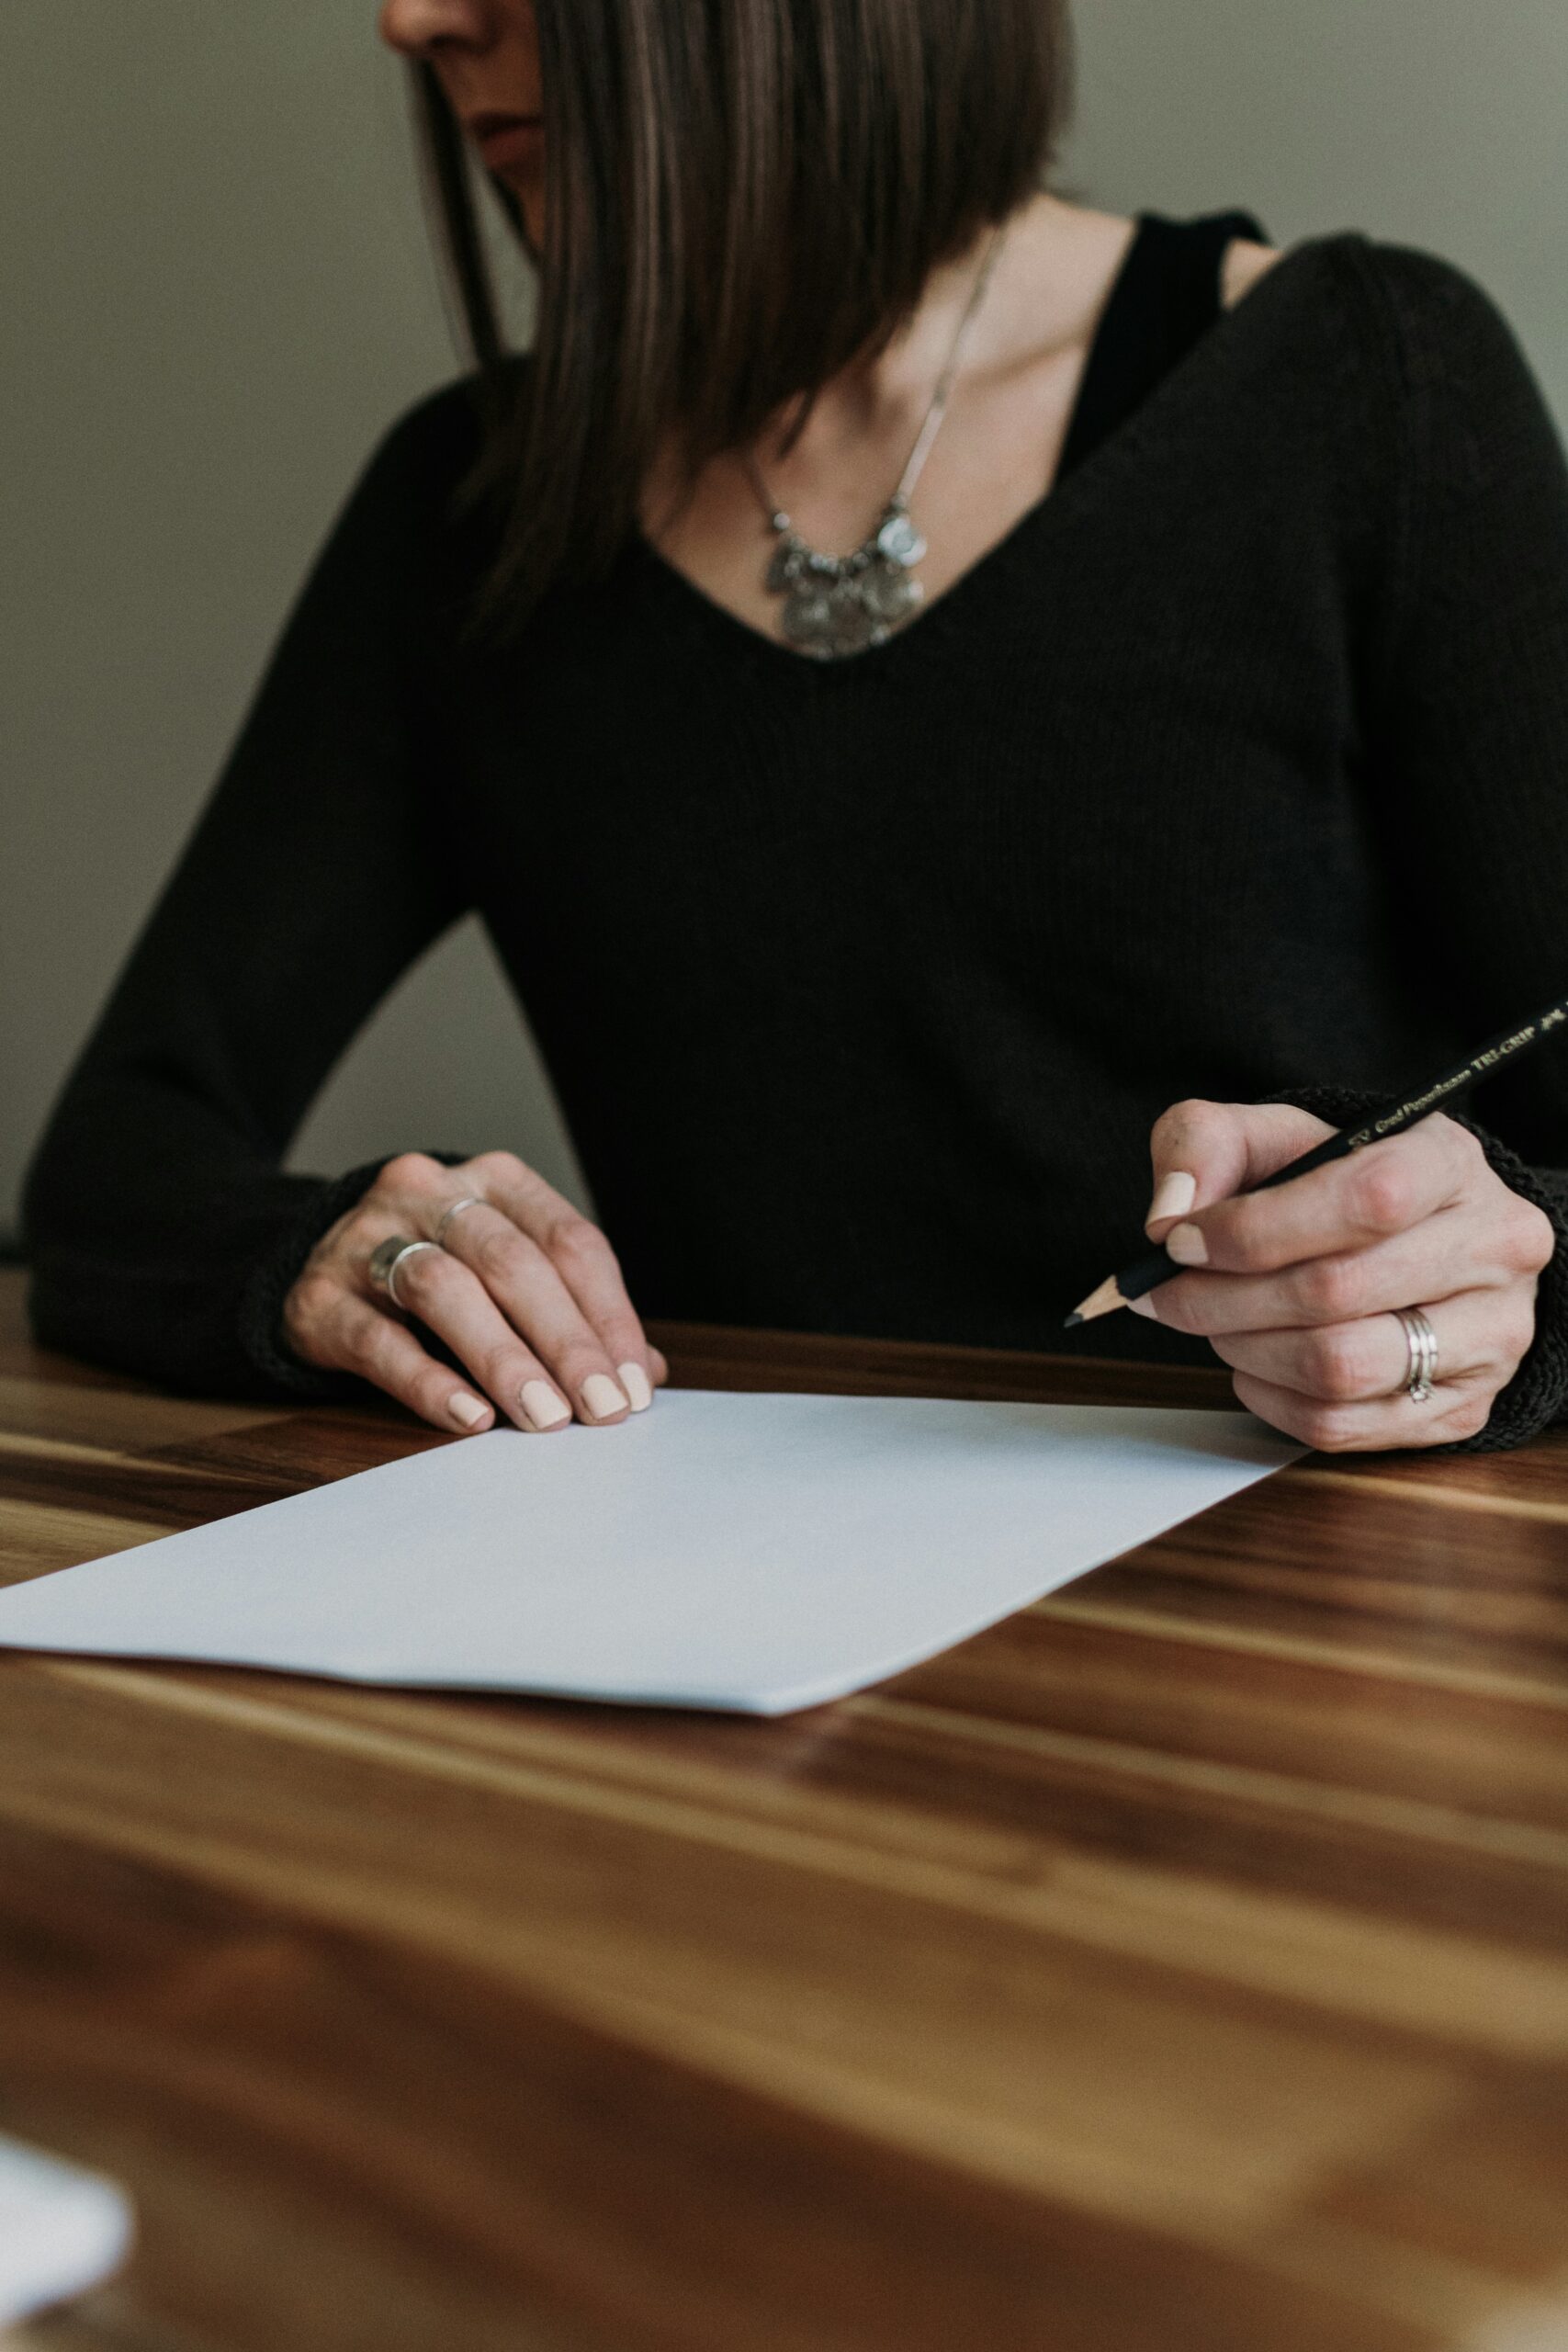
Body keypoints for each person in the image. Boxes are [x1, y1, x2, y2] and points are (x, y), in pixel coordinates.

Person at [22, 0, 1568, 1455]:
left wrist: (1508, 1301)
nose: (412, 19)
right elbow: (116, 1159)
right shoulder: (473, 514)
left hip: (1307, 1609)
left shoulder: (1369, 385)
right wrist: (335, 1256)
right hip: (718, 1613)